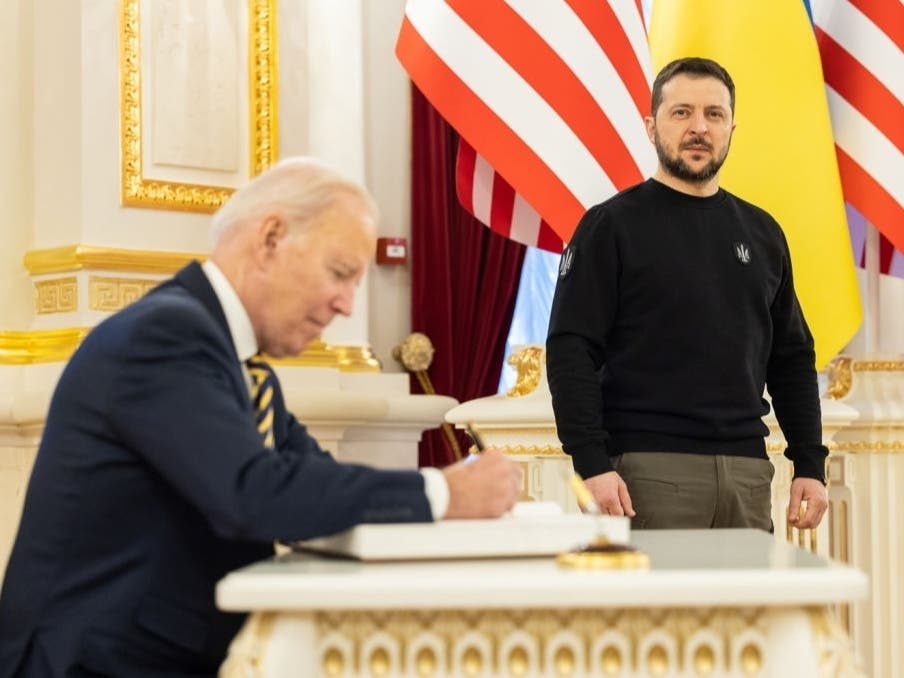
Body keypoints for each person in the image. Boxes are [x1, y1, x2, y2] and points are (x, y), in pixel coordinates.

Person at [0, 157, 522, 677]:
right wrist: (446, 493)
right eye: (341, 274)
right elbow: (253, 495)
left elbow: (312, 483)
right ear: (270, 238)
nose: (346, 304)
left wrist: (441, 497)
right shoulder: (165, 336)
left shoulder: (243, 371)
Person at [546, 57, 829, 533]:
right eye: (681, 113)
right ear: (652, 126)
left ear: (731, 129)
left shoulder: (762, 233)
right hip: (646, 473)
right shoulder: (609, 227)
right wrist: (591, 463)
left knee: (746, 611)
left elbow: (792, 359)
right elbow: (570, 349)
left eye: (714, 114)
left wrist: (810, 464)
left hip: (748, 473)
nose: (699, 127)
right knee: (656, 612)